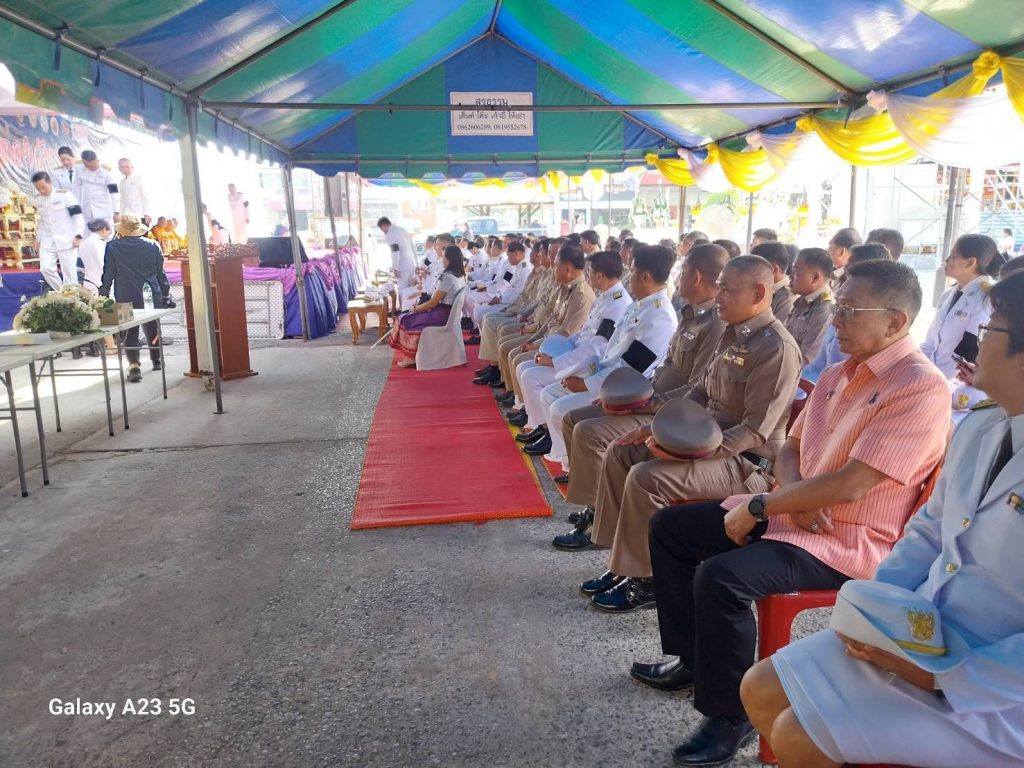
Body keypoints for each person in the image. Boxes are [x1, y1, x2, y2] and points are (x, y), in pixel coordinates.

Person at [742, 269, 1024, 768]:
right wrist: (875, 618)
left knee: (801, 735)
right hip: (925, 636)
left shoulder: (924, 389)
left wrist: (943, 676)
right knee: (760, 687)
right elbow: (929, 533)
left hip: (996, 690)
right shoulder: (985, 427)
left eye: (990, 329)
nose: (976, 344)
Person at [569, 257, 802, 614]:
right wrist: (655, 427)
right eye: (719, 287)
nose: (718, 296)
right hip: (706, 444)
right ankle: (622, 563)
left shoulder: (776, 348)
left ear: (758, 293)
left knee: (647, 477)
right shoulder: (731, 334)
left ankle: (648, 580)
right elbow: (699, 392)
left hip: (747, 465)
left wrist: (688, 453)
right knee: (622, 451)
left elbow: (754, 431)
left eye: (727, 289)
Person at [559, 243, 728, 494]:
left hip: (666, 410)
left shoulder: (699, 321)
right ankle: (592, 500)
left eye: (682, 272)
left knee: (588, 431)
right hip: (648, 394)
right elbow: (662, 367)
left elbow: (694, 388)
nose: (677, 279)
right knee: (573, 418)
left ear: (696, 277)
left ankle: (595, 505)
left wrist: (635, 403)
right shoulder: (688, 315)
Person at [519, 246, 677, 463]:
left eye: (632, 271)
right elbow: (606, 350)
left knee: (559, 407)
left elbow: (631, 369)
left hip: (623, 390)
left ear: (645, 277)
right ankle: (566, 457)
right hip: (605, 374)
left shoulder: (658, 316)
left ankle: (572, 462)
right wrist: (584, 374)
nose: (628, 277)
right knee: (551, 393)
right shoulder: (638, 306)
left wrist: (588, 384)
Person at [921, 234, 1005, 420]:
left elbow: (969, 352)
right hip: (934, 378)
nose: (946, 260)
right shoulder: (948, 294)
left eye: (953, 256)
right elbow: (931, 342)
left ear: (970, 263)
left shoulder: (986, 298)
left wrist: (934, 379)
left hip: (960, 385)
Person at [99, 214, 171, 383]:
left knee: (130, 330)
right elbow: (161, 274)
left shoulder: (112, 246)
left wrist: (104, 292)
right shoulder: (153, 245)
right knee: (152, 327)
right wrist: (165, 293)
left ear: (122, 230)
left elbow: (109, 272)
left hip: (125, 294)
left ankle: (134, 366)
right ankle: (156, 360)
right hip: (151, 293)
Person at [803, 243, 889, 383]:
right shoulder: (840, 312)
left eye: (851, 273)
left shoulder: (870, 328)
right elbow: (816, 367)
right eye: (848, 272)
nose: (844, 278)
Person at [389, 246, 467, 368]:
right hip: (448, 313)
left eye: (444, 257)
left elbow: (432, 303)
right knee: (407, 315)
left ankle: (410, 357)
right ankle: (412, 355)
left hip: (442, 315)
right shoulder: (461, 275)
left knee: (405, 318)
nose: (442, 259)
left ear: (449, 259)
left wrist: (416, 309)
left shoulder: (447, 277)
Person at [31, 171, 83, 290]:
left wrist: (78, 236)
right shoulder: (39, 199)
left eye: (43, 187)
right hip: (48, 239)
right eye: (38, 189)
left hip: (66, 238)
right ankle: (62, 292)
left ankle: (72, 295)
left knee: (69, 273)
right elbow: (43, 221)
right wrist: (38, 239)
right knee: (45, 269)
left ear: (49, 182)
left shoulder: (65, 195)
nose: (42, 191)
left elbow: (77, 217)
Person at [785, 248, 835, 366]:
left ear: (814, 278)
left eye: (796, 271)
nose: (790, 276)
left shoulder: (825, 308)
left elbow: (807, 359)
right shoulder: (802, 301)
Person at [751, 241, 797, 323]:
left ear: (774, 270)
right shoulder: (762, 288)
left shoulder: (787, 298)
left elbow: (776, 329)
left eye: (755, 268)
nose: (751, 272)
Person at [72, 150, 119, 225]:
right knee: (88, 231)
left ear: (97, 161)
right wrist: (76, 204)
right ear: (83, 162)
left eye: (93, 165)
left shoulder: (106, 171)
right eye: (89, 166)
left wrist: (116, 211)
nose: (92, 168)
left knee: (106, 231)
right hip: (87, 209)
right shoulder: (79, 167)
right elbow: (76, 187)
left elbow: (114, 192)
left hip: (103, 210)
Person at [376, 216, 417, 290]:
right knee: (411, 290)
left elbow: (395, 252)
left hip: (402, 267)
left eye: (381, 228)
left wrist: (395, 268)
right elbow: (412, 247)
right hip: (411, 264)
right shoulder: (403, 230)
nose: (382, 231)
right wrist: (416, 263)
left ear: (383, 225)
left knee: (402, 290)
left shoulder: (390, 234)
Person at [78, 218, 111, 294]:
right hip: (99, 281)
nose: (108, 235)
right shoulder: (100, 244)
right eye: (108, 233)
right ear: (104, 229)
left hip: (87, 280)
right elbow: (103, 263)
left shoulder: (83, 243)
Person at [117, 158, 150, 225]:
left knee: (141, 232)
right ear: (119, 168)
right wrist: (121, 214)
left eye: (127, 167)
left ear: (132, 167)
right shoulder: (122, 182)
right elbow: (123, 200)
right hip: (127, 217)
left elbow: (146, 197)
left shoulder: (139, 178)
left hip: (140, 216)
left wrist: (147, 214)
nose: (125, 169)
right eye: (122, 167)